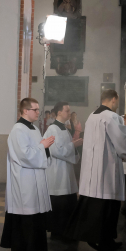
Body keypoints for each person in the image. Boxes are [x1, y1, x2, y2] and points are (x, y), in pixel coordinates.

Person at [64, 89, 126, 251]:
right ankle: (104, 240)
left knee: (96, 206)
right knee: (107, 207)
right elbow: (122, 142)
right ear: (114, 100)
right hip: (106, 169)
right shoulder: (111, 117)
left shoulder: (92, 116)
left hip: (91, 169)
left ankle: (105, 239)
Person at [0, 98, 55, 251]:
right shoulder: (18, 130)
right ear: (25, 111)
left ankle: (32, 248)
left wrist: (44, 147)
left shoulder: (34, 128)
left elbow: (36, 151)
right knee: (26, 216)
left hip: (34, 177)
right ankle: (25, 250)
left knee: (35, 216)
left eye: (38, 109)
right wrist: (42, 146)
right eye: (35, 110)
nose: (38, 113)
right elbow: (25, 155)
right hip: (24, 179)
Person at [44, 102, 81, 239]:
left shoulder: (65, 129)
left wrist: (74, 148)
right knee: (59, 203)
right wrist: (73, 145)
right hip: (57, 171)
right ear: (59, 112)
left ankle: (67, 230)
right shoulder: (52, 129)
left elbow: (68, 149)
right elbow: (55, 151)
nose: (69, 113)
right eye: (67, 111)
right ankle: (57, 231)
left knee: (68, 201)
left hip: (66, 171)